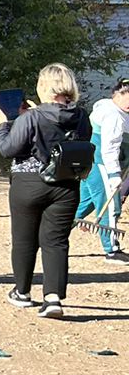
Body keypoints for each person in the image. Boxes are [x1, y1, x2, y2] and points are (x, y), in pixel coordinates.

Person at [0, 63, 88, 318]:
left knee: (25, 240)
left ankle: (22, 293)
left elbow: (8, 149)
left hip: (29, 183)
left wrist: (3, 125)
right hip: (67, 185)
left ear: (43, 86)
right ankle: (53, 298)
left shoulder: (31, 117)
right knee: (56, 242)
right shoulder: (81, 115)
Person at [73, 75, 129, 263]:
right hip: (102, 164)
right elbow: (110, 147)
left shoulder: (105, 105)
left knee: (83, 204)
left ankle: (50, 233)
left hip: (90, 163)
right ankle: (111, 250)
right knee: (110, 205)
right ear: (118, 94)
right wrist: (114, 174)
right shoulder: (114, 115)